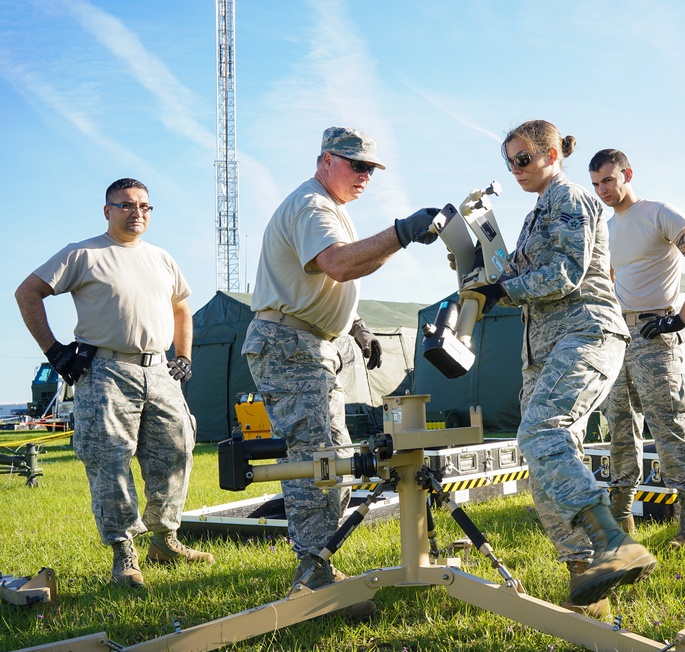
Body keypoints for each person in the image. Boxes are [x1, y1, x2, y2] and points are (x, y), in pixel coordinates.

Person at [242, 126, 440, 620]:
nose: (365, 176)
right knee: (317, 461)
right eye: (357, 166)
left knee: (334, 458)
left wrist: (357, 326)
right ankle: (314, 583)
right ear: (325, 160)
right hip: (290, 344)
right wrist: (402, 232)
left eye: (371, 169)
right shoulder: (313, 206)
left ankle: (318, 570)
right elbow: (337, 265)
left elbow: (338, 273)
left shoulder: (330, 208)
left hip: (308, 342)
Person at [462, 120, 657, 619]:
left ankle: (614, 539)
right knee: (545, 452)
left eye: (523, 158)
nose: (515, 168)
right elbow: (514, 275)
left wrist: (502, 290)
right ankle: (587, 582)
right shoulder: (536, 214)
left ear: (551, 154)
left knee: (543, 432)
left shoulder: (570, 198)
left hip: (585, 333)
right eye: (509, 161)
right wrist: (477, 273)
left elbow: (566, 274)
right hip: (545, 348)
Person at [14, 178, 213, 589]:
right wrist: (54, 351)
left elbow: (181, 308)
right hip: (106, 373)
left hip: (161, 373)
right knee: (110, 464)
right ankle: (124, 553)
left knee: (176, 453)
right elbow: (27, 292)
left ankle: (165, 540)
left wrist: (184, 357)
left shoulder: (161, 258)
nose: (136, 212)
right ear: (107, 211)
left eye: (144, 206)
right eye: (125, 205)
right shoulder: (83, 253)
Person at [588, 149, 685, 546]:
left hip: (654, 335)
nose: (603, 190)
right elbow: (610, 279)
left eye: (608, 180)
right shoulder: (606, 228)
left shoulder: (659, 213)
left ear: (627, 174)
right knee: (619, 426)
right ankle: (622, 519)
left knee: (668, 424)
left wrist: (679, 318)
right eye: (596, 184)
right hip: (617, 338)